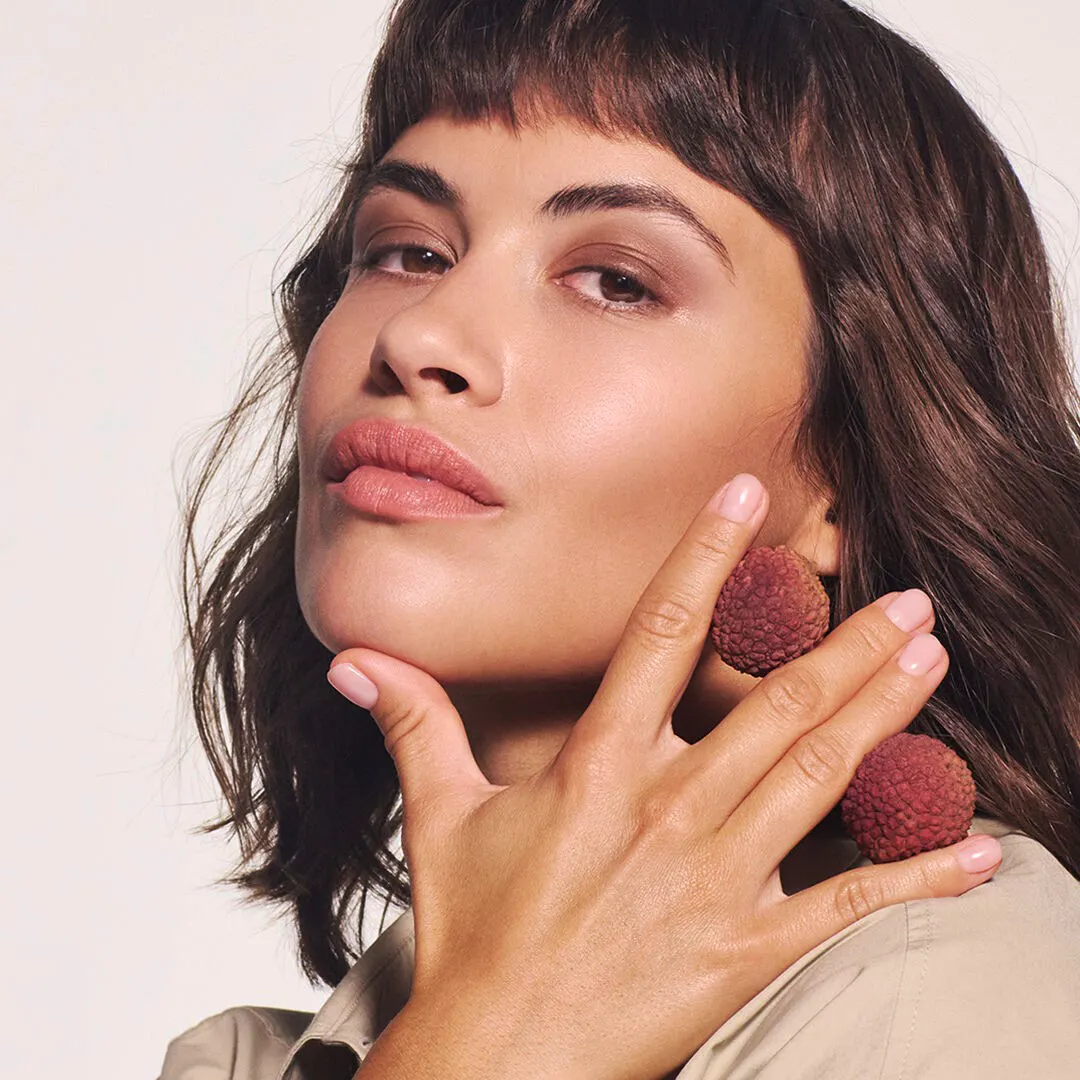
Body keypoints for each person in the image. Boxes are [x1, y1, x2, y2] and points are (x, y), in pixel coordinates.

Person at [159, 1, 1080, 1077]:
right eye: (407, 252)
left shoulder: (946, 983)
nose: (418, 336)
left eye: (616, 282)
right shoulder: (242, 1063)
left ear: (844, 477)